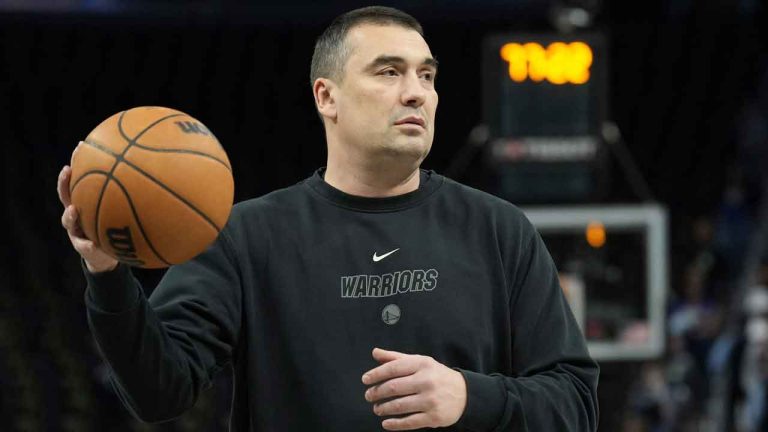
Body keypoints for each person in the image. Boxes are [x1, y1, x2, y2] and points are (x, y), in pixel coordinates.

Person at [57, 6, 599, 431]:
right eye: (388, 72)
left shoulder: (499, 229)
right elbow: (158, 394)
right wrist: (107, 273)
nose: (417, 92)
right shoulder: (247, 237)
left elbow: (575, 404)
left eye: (427, 76)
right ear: (326, 96)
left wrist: (470, 397)